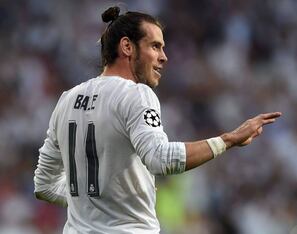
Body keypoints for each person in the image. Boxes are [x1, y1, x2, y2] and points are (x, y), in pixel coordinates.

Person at [33, 6, 282, 234]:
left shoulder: (67, 100)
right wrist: (227, 140)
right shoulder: (135, 94)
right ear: (127, 47)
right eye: (155, 46)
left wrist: (91, 199)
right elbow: (161, 159)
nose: (164, 56)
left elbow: (44, 185)